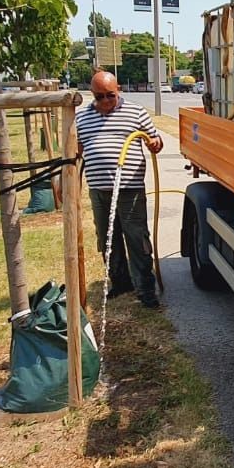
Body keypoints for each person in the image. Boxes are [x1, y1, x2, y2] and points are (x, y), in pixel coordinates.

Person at [77, 71, 164, 308]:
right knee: (107, 238)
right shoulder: (81, 118)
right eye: (99, 96)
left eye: (110, 95)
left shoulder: (135, 112)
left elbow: (155, 141)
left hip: (129, 189)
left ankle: (146, 289)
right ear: (91, 94)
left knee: (137, 238)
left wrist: (154, 143)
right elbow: (76, 152)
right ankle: (120, 282)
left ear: (118, 91)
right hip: (99, 190)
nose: (105, 101)